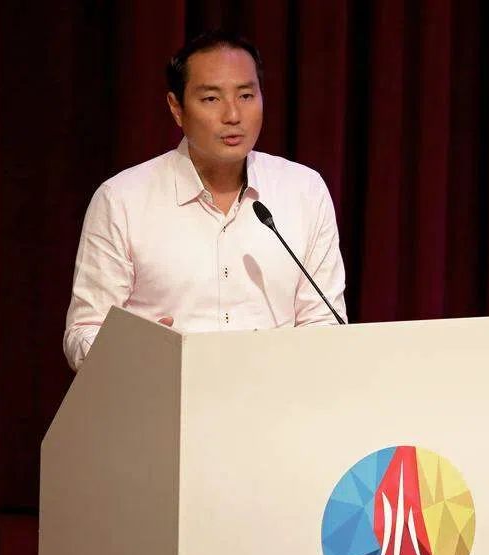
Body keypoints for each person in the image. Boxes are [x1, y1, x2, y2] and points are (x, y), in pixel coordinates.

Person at [63, 29, 347, 371]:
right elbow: (84, 331)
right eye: (211, 99)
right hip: (162, 394)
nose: (233, 115)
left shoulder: (304, 191)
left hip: (275, 394)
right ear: (177, 108)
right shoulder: (122, 199)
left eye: (246, 95)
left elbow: (323, 323)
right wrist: (131, 350)